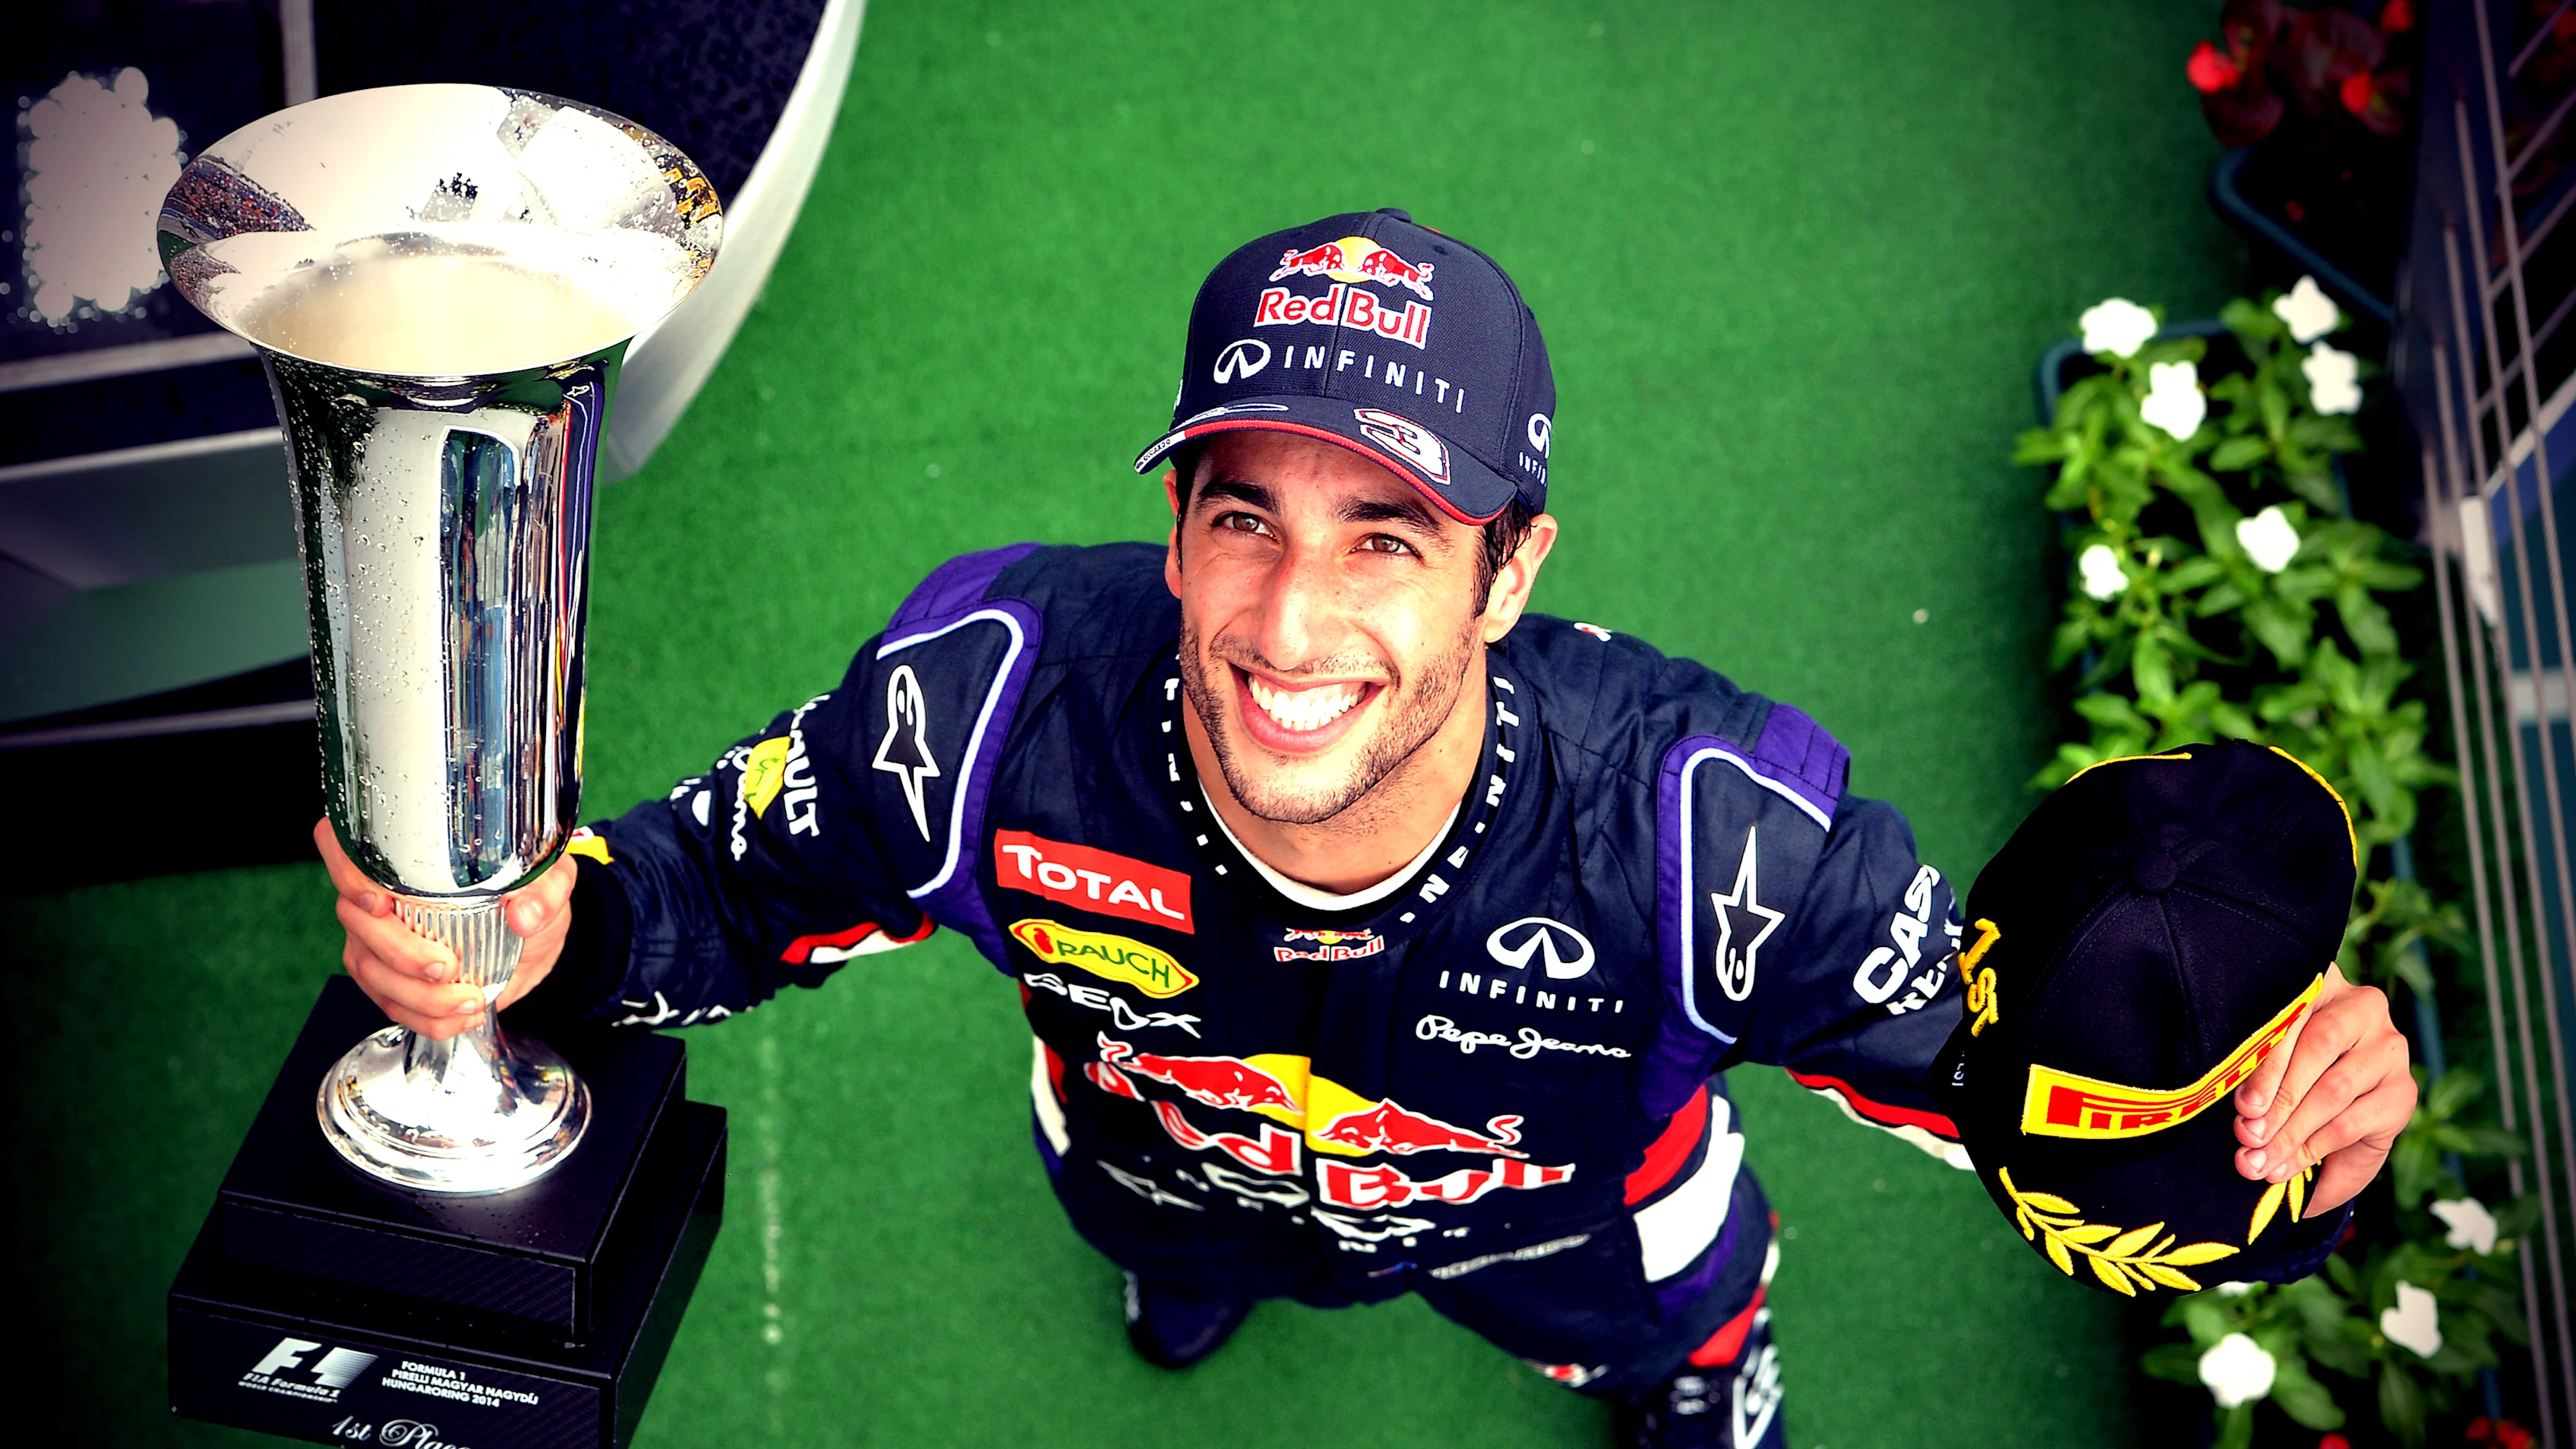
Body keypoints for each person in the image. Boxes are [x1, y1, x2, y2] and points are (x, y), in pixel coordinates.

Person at [318, 210, 2416, 1448]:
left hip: (1574, 1228)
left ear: (1508, 573)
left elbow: (2017, 1093)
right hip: (1163, 1168)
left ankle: (1688, 1393)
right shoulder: (987, 701)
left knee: (1682, 1343)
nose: (1289, 624)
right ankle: (1206, 1272)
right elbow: (708, 889)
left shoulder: (1710, 833)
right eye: (1243, 515)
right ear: (1173, 518)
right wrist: (538, 931)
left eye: (1387, 535)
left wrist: (2277, 1139)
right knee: (1165, 1242)